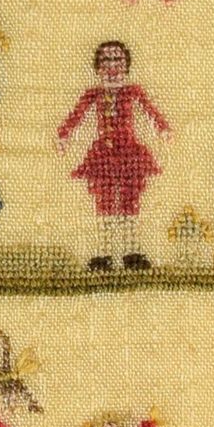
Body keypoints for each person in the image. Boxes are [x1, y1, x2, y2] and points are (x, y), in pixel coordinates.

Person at [54, 39, 169, 270]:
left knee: (130, 202)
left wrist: (162, 128)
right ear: (98, 66)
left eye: (118, 59)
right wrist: (64, 135)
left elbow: (150, 110)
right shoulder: (93, 94)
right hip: (103, 156)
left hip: (130, 154)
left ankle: (131, 251)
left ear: (126, 64)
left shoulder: (133, 92)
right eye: (106, 60)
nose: (112, 66)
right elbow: (76, 115)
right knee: (104, 202)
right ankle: (104, 253)